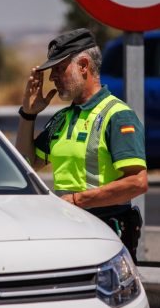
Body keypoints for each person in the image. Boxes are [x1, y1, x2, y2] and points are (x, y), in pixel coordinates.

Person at [15, 28, 147, 262]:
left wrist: (77, 201)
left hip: (108, 235)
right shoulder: (62, 118)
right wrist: (28, 114)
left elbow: (137, 182)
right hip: (69, 230)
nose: (53, 77)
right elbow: (27, 164)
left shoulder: (117, 116)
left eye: (59, 68)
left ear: (83, 66)